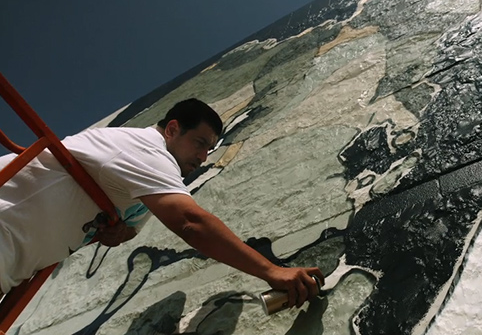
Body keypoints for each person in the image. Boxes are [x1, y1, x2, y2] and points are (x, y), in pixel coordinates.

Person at [0, 98, 323, 315]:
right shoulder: (144, 150)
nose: (203, 157)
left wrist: (117, 232)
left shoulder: (146, 180)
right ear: (172, 129)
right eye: (199, 143)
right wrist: (272, 271)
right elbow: (189, 222)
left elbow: (128, 231)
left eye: (210, 150)